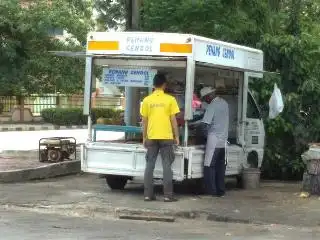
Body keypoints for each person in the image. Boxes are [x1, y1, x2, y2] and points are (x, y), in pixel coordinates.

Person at [140, 73, 180, 202]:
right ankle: (168, 196)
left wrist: (144, 137)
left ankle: (148, 195)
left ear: (153, 85)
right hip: (166, 137)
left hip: (151, 136)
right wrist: (177, 136)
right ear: (164, 85)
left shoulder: (147, 100)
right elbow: (174, 120)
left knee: (149, 165)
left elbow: (144, 121)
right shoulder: (170, 100)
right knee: (166, 165)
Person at [199, 86, 229, 197]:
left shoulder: (212, 105)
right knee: (221, 168)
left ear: (209, 96)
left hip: (214, 140)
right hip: (224, 141)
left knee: (209, 166)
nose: (205, 100)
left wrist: (202, 135)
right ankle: (221, 191)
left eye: (205, 98)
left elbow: (204, 124)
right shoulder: (225, 103)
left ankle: (211, 191)